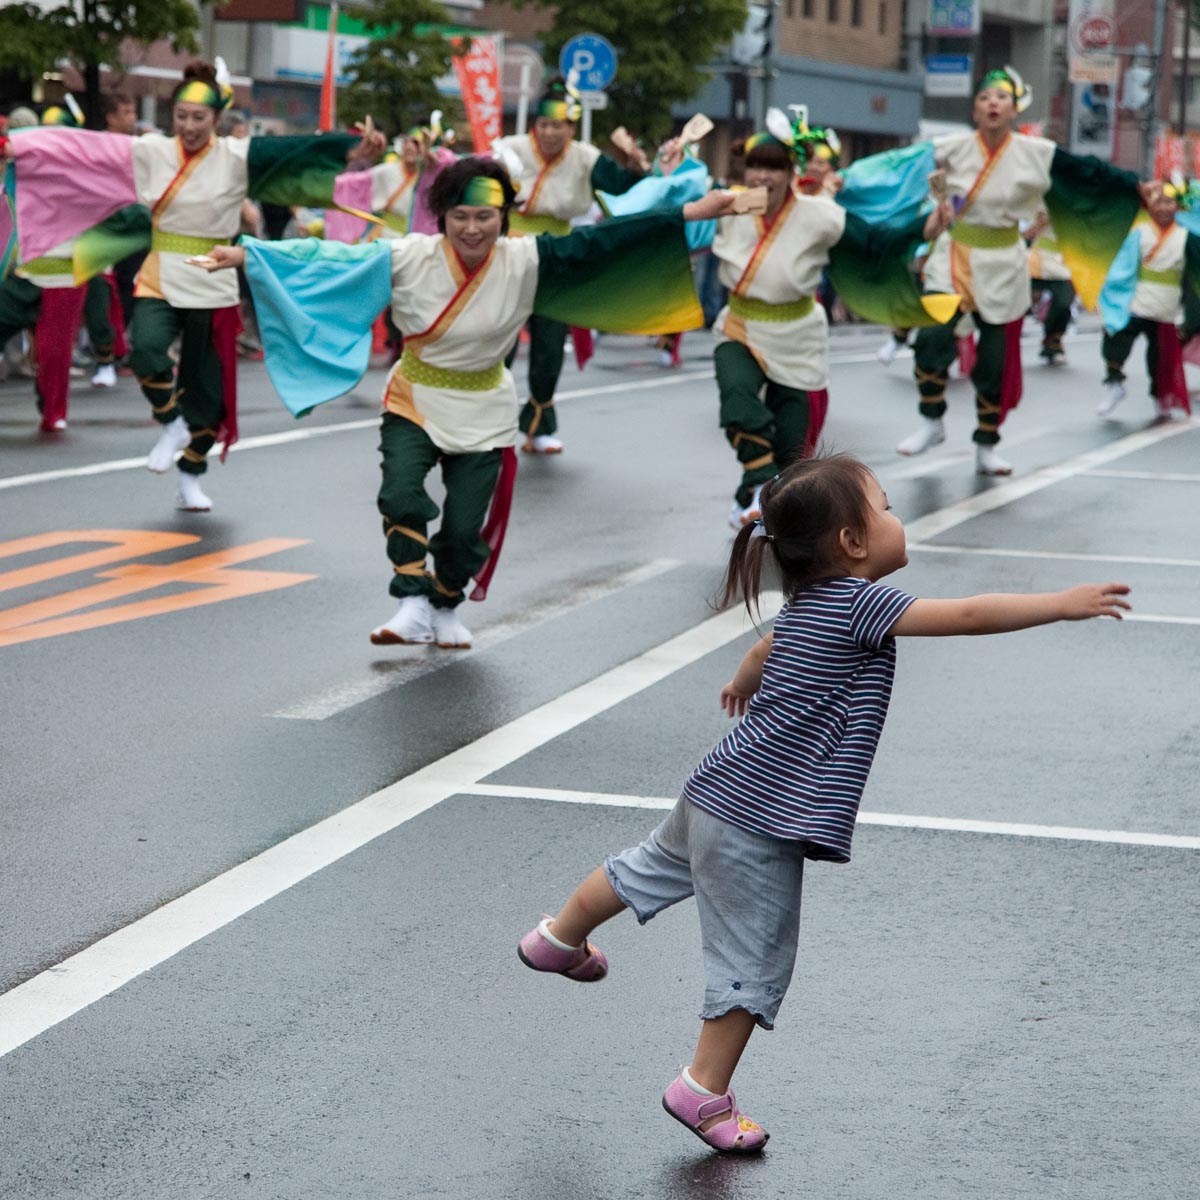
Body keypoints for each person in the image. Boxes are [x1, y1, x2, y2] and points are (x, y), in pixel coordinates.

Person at [517, 451, 1131, 1154]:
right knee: (756, 953)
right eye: (888, 507)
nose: (898, 519)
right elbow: (964, 614)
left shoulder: (810, 604)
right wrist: (1059, 604)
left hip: (717, 787)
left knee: (647, 865)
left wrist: (747, 678)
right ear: (852, 543)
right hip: (762, 820)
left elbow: (765, 651)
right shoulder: (863, 604)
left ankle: (557, 938)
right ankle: (701, 1089)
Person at [202, 157, 731, 648]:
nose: (473, 229)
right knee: (401, 491)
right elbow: (330, 257)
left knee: (461, 527)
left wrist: (686, 213)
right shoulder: (409, 254)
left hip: (485, 409)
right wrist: (249, 253)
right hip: (416, 397)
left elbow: (604, 242)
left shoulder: (527, 258)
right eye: (461, 216)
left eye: (485, 216)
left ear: (504, 217)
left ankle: (446, 602)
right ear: (441, 216)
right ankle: (411, 601)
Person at [5, 59, 376, 509]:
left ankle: (190, 476)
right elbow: (84, 149)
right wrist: (20, 147)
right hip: (162, 271)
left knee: (209, 396)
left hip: (214, 277)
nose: (188, 126)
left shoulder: (238, 156)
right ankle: (169, 421)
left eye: (199, 118)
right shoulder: (151, 151)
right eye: (181, 117)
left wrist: (353, 150)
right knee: (145, 350)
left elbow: (294, 152)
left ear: (217, 120)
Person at [710, 109, 953, 528]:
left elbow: (873, 241)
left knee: (791, 453)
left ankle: (755, 497)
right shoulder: (727, 205)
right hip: (740, 326)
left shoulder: (819, 213)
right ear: (743, 169)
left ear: (791, 172)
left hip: (798, 334)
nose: (762, 178)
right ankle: (755, 479)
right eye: (755, 167)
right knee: (738, 399)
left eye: (774, 168)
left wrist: (923, 228)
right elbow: (672, 218)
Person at [894, 66, 1144, 474]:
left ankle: (986, 443)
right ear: (975, 110)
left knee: (993, 358)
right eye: (984, 98)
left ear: (1014, 110)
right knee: (932, 339)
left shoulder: (1037, 153)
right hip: (954, 254)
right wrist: (936, 213)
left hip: (1005, 261)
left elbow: (1089, 173)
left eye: (1001, 98)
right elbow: (920, 181)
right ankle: (931, 418)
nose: (993, 104)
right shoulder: (948, 148)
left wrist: (1135, 185)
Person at [493, 76, 651, 453]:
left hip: (558, 253)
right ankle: (491, 423)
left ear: (571, 127)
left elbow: (623, 186)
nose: (549, 133)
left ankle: (538, 426)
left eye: (558, 126)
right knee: (498, 336)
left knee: (549, 342)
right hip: (510, 249)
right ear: (535, 125)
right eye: (544, 124)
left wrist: (634, 165)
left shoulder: (585, 157)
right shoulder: (509, 150)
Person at [1097, 180, 1200, 419]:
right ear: (1150, 206)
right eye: (1158, 202)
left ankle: (1159, 397)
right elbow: (1122, 267)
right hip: (1137, 301)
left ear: (1178, 207)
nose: (1164, 208)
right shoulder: (1139, 232)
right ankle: (1114, 383)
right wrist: (1110, 297)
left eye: (1169, 202)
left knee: (1159, 358)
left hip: (1166, 306)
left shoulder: (1187, 237)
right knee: (1116, 336)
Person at [1026, 209, 1075, 365]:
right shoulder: (1043, 193)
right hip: (1038, 259)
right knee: (1017, 300)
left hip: (1064, 262)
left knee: (1064, 301)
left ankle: (1053, 339)